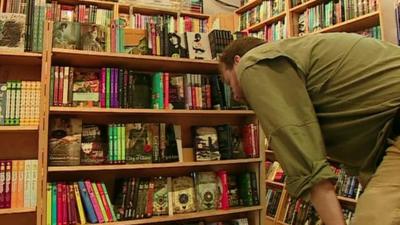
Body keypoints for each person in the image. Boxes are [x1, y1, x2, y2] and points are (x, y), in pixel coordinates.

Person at [219, 33, 400, 225]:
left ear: (237, 62)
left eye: (229, 82)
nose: (235, 96)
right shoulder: (296, 54)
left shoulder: (252, 63)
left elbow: (308, 169)